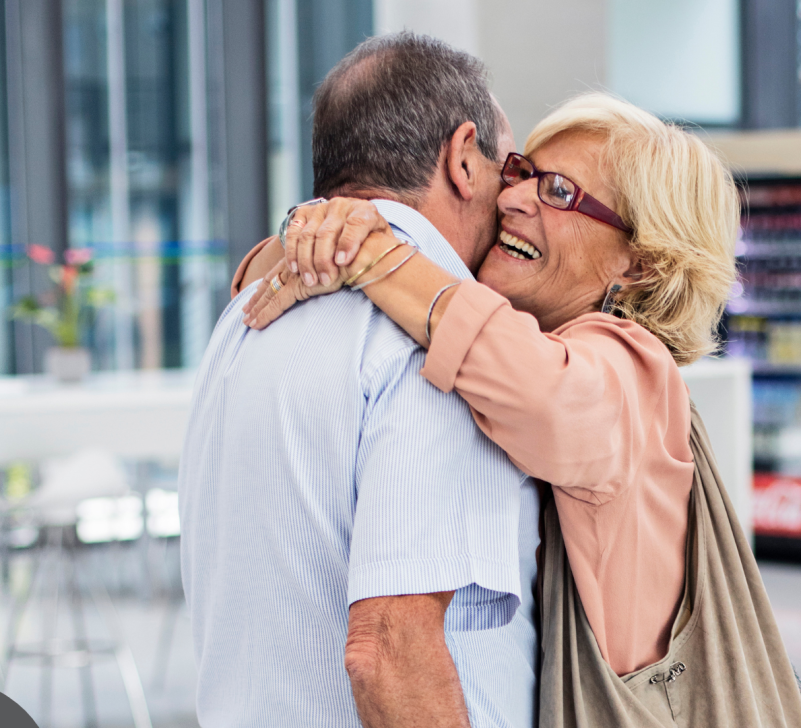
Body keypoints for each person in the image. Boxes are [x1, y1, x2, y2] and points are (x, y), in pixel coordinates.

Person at [238, 94, 801, 727]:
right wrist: (309, 240)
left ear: (640, 264)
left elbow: (543, 395)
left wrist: (372, 255)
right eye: (523, 173)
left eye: (560, 193)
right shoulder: (534, 341)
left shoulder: (629, 367)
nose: (513, 199)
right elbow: (255, 290)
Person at [178, 33, 541, 728]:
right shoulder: (433, 346)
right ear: (464, 158)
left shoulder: (243, 322)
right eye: (510, 166)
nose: (515, 196)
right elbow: (389, 651)